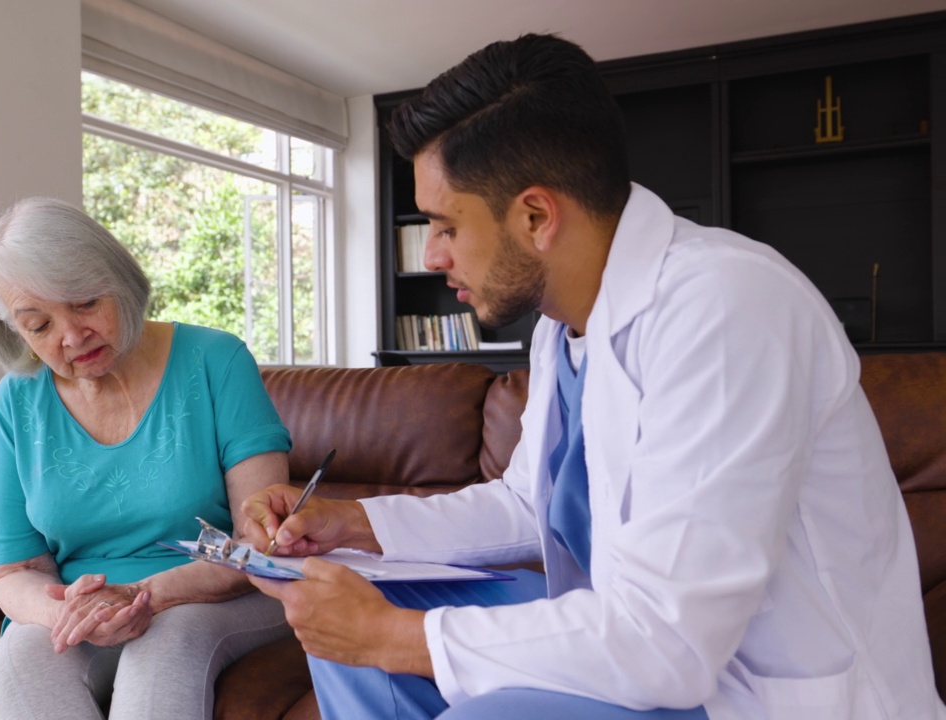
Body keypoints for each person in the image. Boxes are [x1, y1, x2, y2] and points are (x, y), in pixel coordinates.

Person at [243, 33, 946, 720]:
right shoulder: (563, 329)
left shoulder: (728, 307)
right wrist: (350, 523)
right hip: (642, 639)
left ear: (536, 216)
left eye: (446, 225)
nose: (430, 255)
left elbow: (669, 640)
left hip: (739, 685)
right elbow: (526, 503)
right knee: (338, 618)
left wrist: (394, 637)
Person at [0, 196, 294, 720]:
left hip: (217, 594)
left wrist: (144, 594)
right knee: (17, 661)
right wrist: (73, 612)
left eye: (83, 303)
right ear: (15, 330)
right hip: (84, 608)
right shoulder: (17, 401)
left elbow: (254, 547)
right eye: (39, 325)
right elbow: (12, 571)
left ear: (118, 279)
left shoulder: (217, 361)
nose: (72, 337)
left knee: (166, 645)